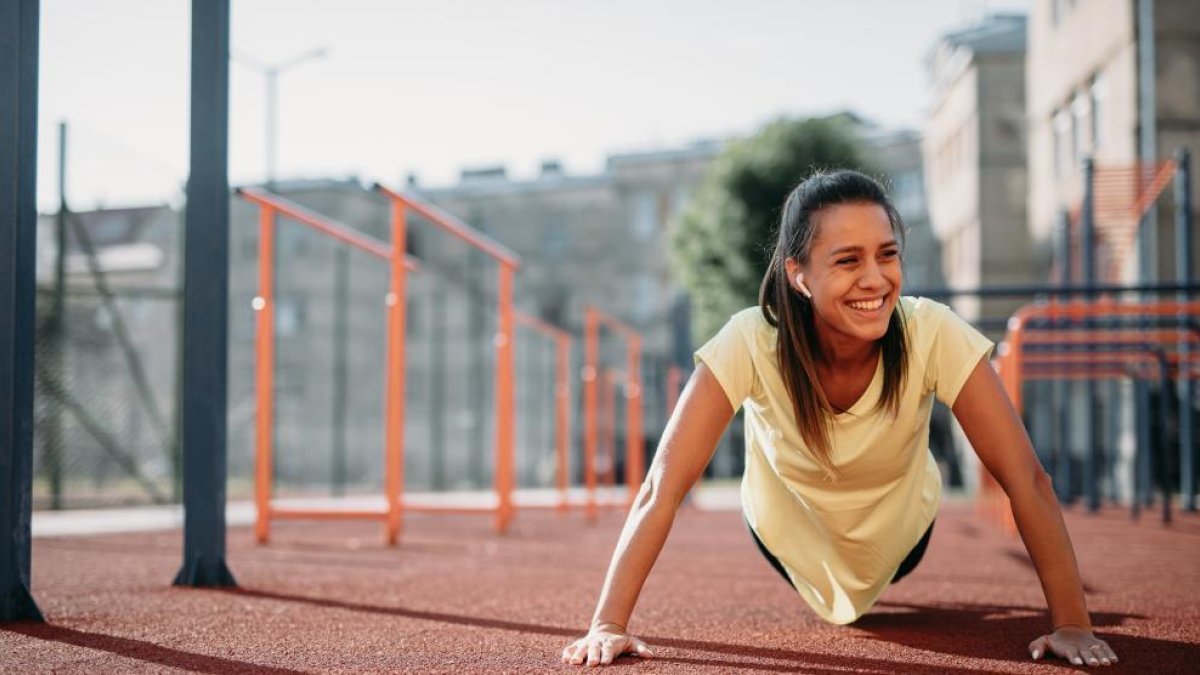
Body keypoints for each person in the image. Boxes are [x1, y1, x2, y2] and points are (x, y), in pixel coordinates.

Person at [560, 170, 1119, 668]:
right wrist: (607, 624)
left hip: (902, 532)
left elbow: (1026, 476)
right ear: (799, 275)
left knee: (890, 573)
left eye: (887, 254)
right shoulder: (750, 341)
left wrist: (1072, 621)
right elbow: (663, 487)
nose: (875, 279)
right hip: (787, 531)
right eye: (848, 260)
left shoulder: (931, 331)